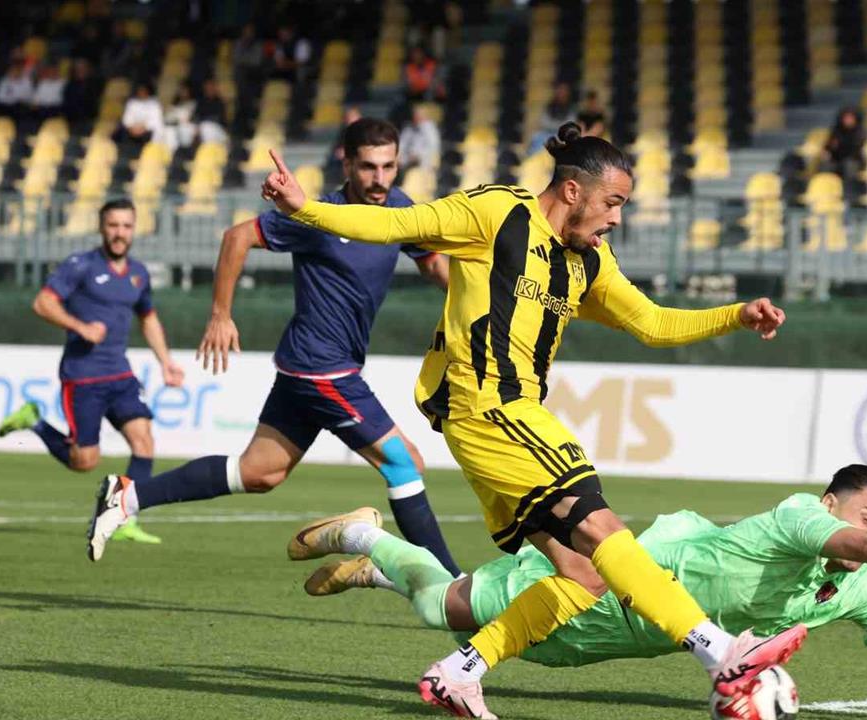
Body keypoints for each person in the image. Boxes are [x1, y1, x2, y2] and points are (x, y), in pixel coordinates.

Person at [258, 122, 797, 718]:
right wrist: (306, 208)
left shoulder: (589, 259)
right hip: (487, 403)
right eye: (612, 202)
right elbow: (395, 226)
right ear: (572, 191)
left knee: (583, 575)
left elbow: (652, 323)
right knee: (599, 527)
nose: (617, 218)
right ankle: (720, 653)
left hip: (502, 417)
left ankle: (461, 672)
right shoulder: (496, 213)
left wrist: (735, 315)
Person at [297, 466, 867, 683]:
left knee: (461, 621)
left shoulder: (852, 590)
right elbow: (857, 549)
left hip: (609, 643)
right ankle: (369, 539)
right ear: (830, 505)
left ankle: (372, 561)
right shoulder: (798, 519)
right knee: (442, 607)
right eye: (866, 518)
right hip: (594, 582)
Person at [85, 119, 461, 577]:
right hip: (323, 370)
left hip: (307, 370)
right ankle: (448, 583)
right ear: (346, 162)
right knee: (405, 463)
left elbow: (434, 264)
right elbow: (237, 236)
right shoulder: (317, 214)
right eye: (367, 167)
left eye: (388, 166)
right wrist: (221, 314)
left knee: (259, 473)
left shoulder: (400, 209)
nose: (379, 179)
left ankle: (127, 496)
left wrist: (472, 300)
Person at [0, 199, 184, 547]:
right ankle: (35, 421)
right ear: (101, 227)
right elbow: (43, 303)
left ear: (134, 229)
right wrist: (79, 326)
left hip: (120, 375)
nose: (119, 233)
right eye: (113, 225)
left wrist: (166, 362)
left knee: (144, 441)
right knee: (84, 461)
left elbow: (149, 318)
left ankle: (125, 518)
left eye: (126, 226)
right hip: (82, 376)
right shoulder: (79, 265)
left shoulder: (138, 274)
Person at [821, 106, 866, 181]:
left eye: (850, 118)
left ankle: (850, 188)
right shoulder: (836, 131)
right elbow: (828, 146)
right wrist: (828, 151)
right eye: (846, 118)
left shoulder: (860, 132)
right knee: (826, 165)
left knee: (850, 165)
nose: (848, 120)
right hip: (836, 159)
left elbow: (857, 150)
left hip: (854, 160)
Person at [118, 82, 163, 149]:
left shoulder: (155, 104)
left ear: (148, 92)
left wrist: (143, 127)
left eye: (143, 91)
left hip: (147, 130)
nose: (141, 93)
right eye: (140, 91)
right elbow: (126, 119)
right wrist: (132, 127)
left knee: (157, 132)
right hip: (133, 129)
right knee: (120, 129)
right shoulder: (132, 103)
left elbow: (156, 122)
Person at [399, 104, 441, 170]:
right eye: (415, 114)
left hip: (424, 162)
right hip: (407, 161)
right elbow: (401, 145)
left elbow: (434, 147)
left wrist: (419, 156)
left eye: (418, 114)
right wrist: (405, 157)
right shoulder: (408, 128)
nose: (416, 116)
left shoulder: (430, 128)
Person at [193, 77, 228, 145]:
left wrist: (202, 124)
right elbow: (196, 116)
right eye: (208, 87)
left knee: (206, 127)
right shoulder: (201, 102)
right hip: (202, 128)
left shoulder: (219, 102)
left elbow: (220, 119)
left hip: (218, 129)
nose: (210, 89)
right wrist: (197, 126)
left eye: (212, 87)